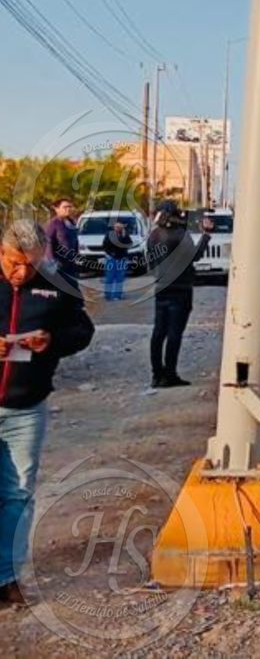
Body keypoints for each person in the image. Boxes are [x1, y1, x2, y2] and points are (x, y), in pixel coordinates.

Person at [1, 220, 95, 608]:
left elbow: (84, 331)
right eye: (13, 263)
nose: (21, 273)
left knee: (17, 494)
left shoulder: (56, 288)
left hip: (26, 408)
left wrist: (52, 341)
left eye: (30, 265)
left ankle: (6, 577)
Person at [145, 201, 210, 389]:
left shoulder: (154, 235)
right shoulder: (181, 235)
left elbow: (150, 260)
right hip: (181, 288)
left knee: (159, 332)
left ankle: (157, 375)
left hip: (162, 287)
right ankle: (170, 374)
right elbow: (194, 256)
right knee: (174, 333)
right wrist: (205, 235)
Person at [42, 198, 79, 286]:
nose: (68, 209)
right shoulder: (53, 224)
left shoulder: (72, 223)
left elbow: (75, 241)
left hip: (71, 263)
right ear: (56, 209)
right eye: (65, 207)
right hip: (58, 264)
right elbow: (47, 242)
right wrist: (51, 261)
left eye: (70, 207)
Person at [101, 221, 133, 302]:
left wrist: (124, 236)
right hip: (111, 258)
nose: (118, 228)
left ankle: (117, 295)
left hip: (121, 259)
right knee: (109, 277)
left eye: (120, 227)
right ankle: (108, 295)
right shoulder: (109, 234)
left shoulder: (125, 235)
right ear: (114, 227)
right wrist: (109, 254)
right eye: (117, 227)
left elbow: (129, 244)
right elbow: (104, 245)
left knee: (120, 278)